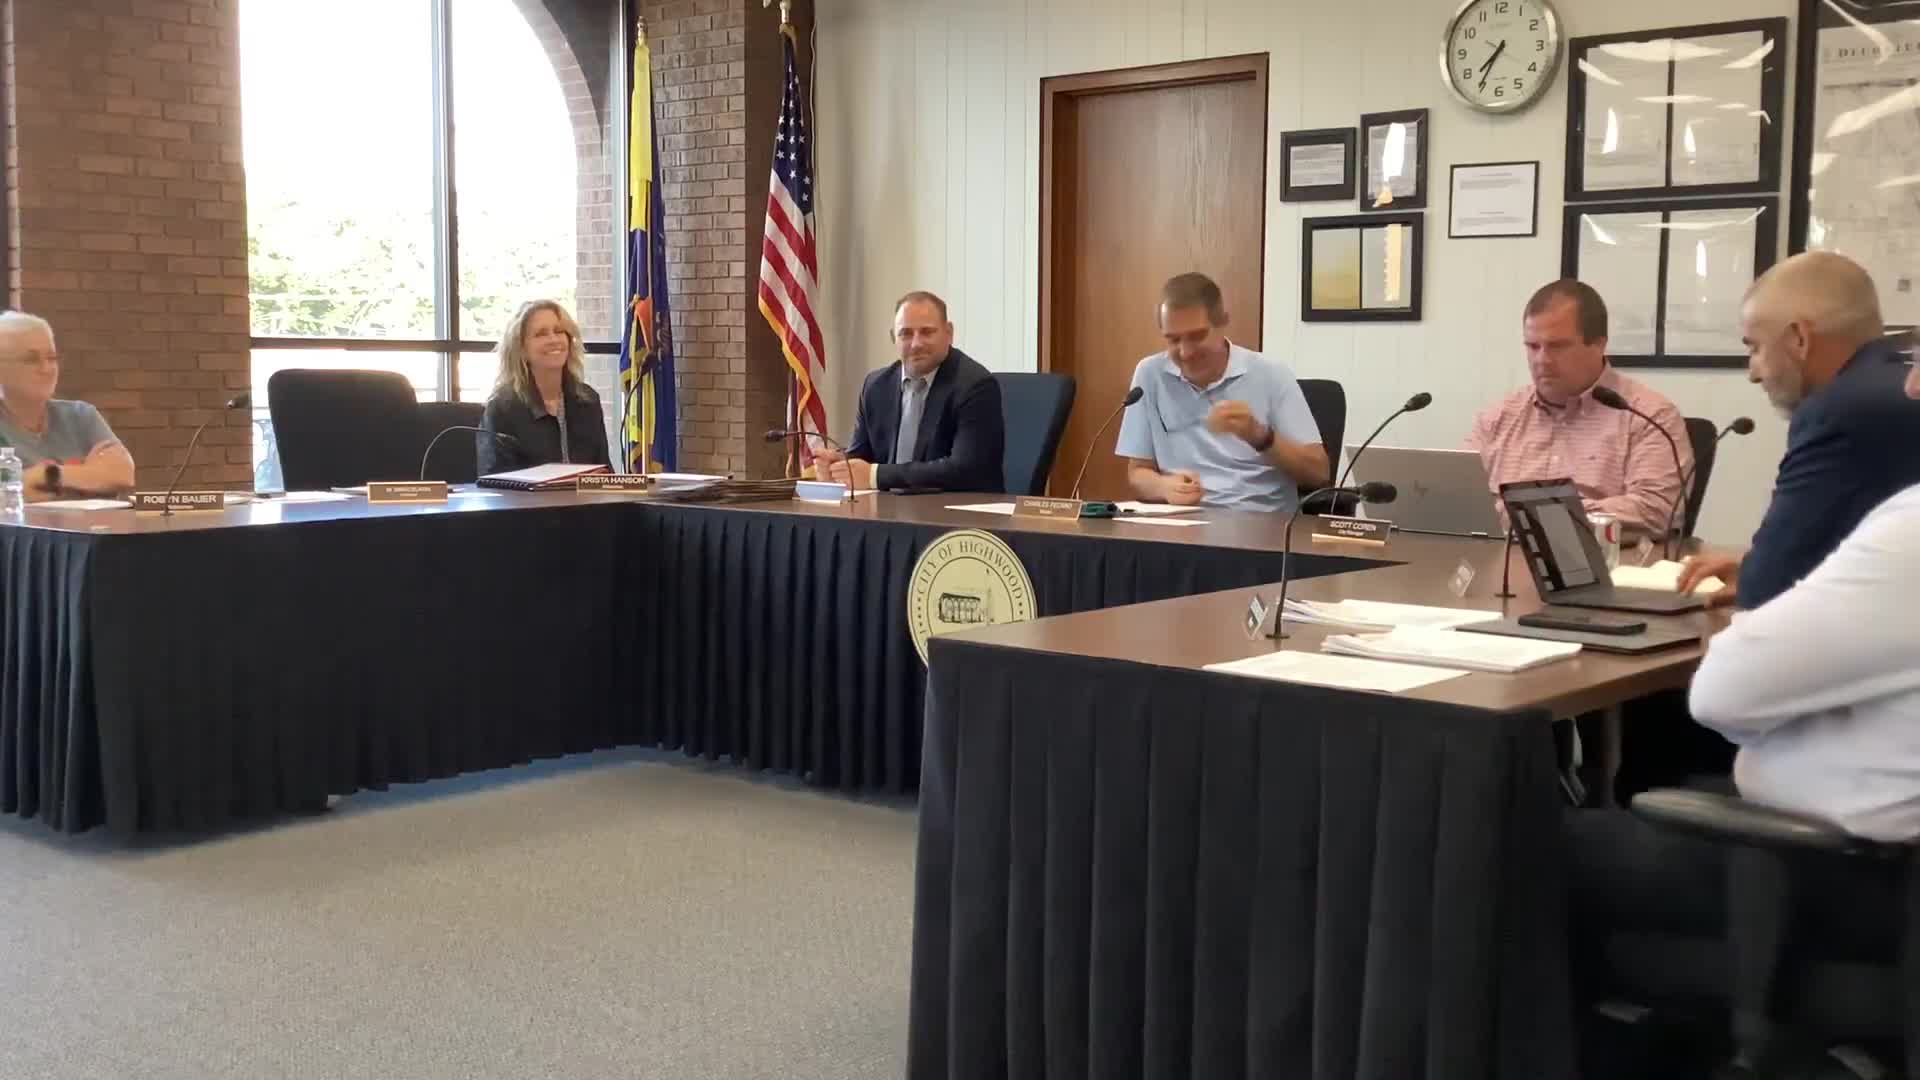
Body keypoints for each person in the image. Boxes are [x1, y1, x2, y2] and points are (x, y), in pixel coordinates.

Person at [1565, 354, 1920, 1077]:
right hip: (1863, 865)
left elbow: (1720, 694)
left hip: (1837, 871)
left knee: (1519, 837)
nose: (1910, 383)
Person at [1679, 251, 1920, 611]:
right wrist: (1751, 565)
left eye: (1755, 347)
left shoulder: (1841, 411)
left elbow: (1767, 586)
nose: (1753, 373)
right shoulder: (1898, 376)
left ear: (1799, 339)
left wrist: (1756, 572)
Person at [1467, 280, 1691, 538]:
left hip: (1601, 558)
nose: (1542, 360)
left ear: (1599, 345)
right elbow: (1461, 499)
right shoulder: (1496, 417)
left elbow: (1656, 510)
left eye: (1558, 346)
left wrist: (1531, 515)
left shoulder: (1649, 416)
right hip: (1498, 558)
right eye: (1533, 346)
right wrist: (1558, 514)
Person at [1115, 273, 1326, 511]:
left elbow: (1318, 473)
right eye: (1173, 340)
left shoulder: (1271, 374)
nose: (1185, 352)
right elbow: (1138, 472)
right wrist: (1164, 486)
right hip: (1182, 521)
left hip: (1258, 519)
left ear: (1223, 322)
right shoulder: (1150, 374)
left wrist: (1259, 436)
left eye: (1197, 336)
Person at [814, 291, 1004, 493]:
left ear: (949, 333)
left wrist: (875, 476)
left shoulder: (975, 385)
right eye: (906, 333)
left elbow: (965, 470)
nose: (916, 344)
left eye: (927, 332)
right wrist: (839, 467)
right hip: (887, 507)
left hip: (956, 508)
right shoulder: (876, 385)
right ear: (893, 338)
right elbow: (863, 456)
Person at [0, 310, 135, 500]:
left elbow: (122, 474)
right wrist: (89, 474)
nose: (47, 368)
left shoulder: (80, 415)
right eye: (31, 359)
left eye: (52, 358)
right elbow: (10, 495)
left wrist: (48, 475)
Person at [477, 300, 611, 474]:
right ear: (521, 349)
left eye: (559, 331)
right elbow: (493, 481)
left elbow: (604, 474)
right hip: (528, 494)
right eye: (541, 334)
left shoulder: (588, 399)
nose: (554, 340)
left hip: (583, 493)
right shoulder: (502, 407)